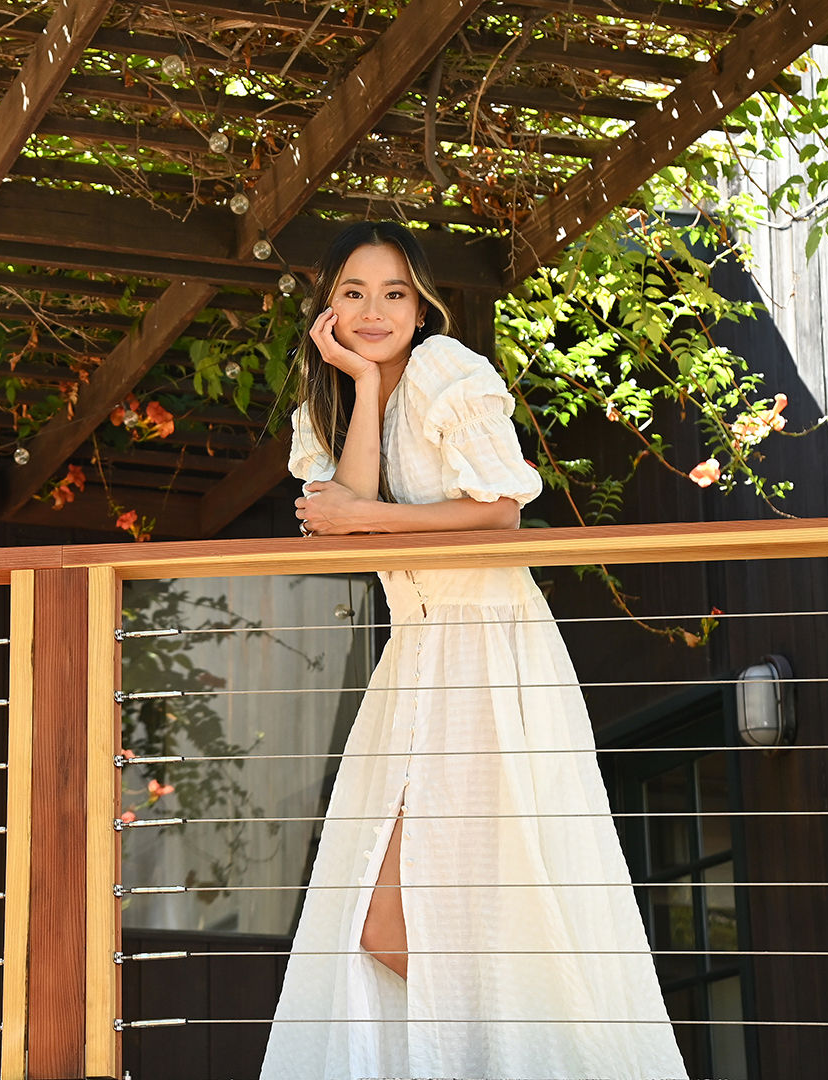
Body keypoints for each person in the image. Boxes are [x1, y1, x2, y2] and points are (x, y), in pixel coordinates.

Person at [261, 221, 686, 1080]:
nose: (375, 312)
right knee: (391, 924)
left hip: (488, 650)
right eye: (353, 293)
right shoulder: (335, 403)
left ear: (423, 307)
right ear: (325, 310)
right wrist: (360, 384)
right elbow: (347, 515)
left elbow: (499, 516)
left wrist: (363, 512)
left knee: (435, 912)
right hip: (413, 660)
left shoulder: (450, 372)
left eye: (394, 294)